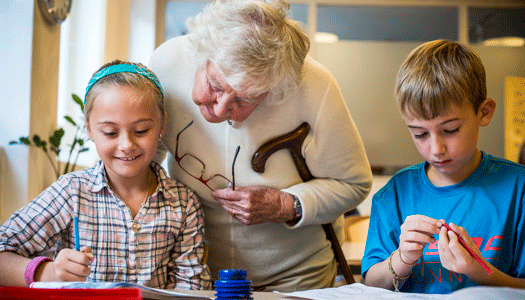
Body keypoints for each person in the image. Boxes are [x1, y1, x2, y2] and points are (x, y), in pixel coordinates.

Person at [149, 0, 372, 292]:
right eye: (215, 85)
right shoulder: (167, 62)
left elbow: (354, 184)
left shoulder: (313, 85)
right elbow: (145, 159)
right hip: (195, 274)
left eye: (246, 99)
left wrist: (285, 205)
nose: (221, 108)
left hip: (296, 277)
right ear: (201, 55)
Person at [0, 60, 211, 289]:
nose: (126, 145)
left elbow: (192, 287)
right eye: (110, 132)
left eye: (141, 131)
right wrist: (47, 271)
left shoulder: (184, 204)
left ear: (162, 125)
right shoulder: (71, 191)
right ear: (90, 129)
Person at [361, 40, 525, 293]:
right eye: (419, 134)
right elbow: (371, 283)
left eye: (450, 130)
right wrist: (402, 258)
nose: (436, 149)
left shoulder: (517, 188)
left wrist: (477, 270)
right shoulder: (395, 194)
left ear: (484, 112)